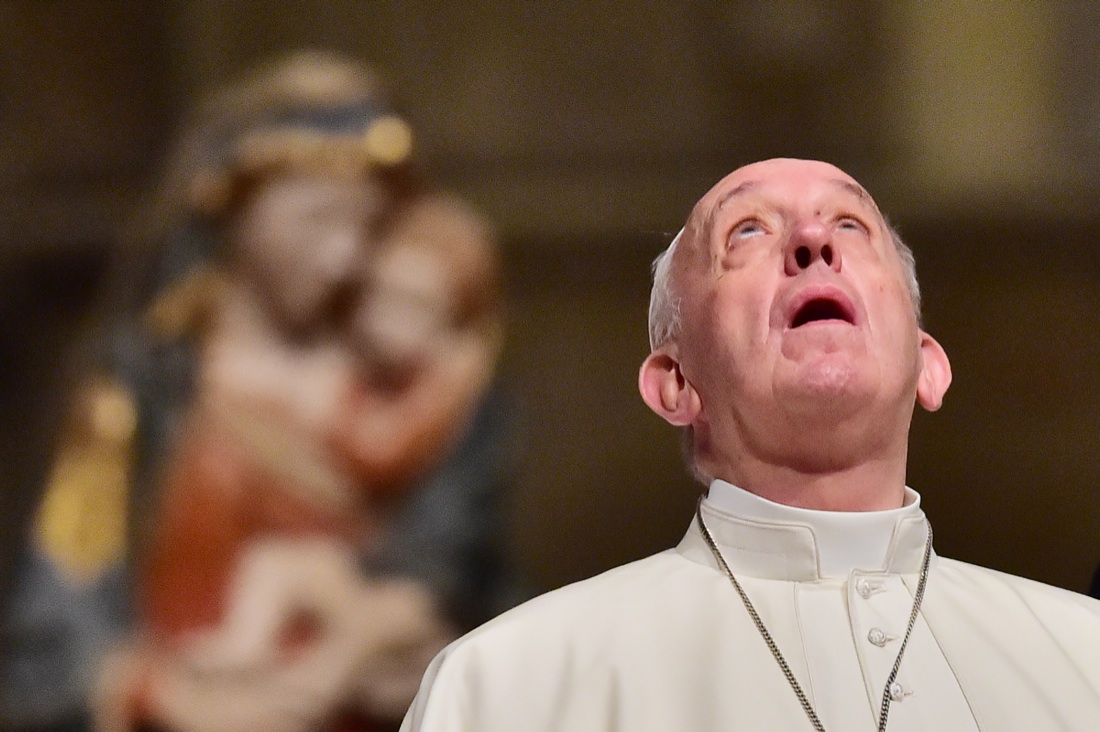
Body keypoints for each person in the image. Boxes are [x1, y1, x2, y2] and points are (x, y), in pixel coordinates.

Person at [401, 158, 1100, 731]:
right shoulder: (510, 689)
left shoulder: (1085, 657)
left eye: (851, 225)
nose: (811, 243)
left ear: (929, 364)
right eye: (746, 233)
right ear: (676, 382)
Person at [92, 51, 521, 732]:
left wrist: (429, 657)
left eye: (365, 225)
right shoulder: (149, 379)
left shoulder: (403, 374)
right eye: (314, 219)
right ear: (234, 207)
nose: (343, 256)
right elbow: (63, 603)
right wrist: (159, 691)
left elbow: (458, 571)